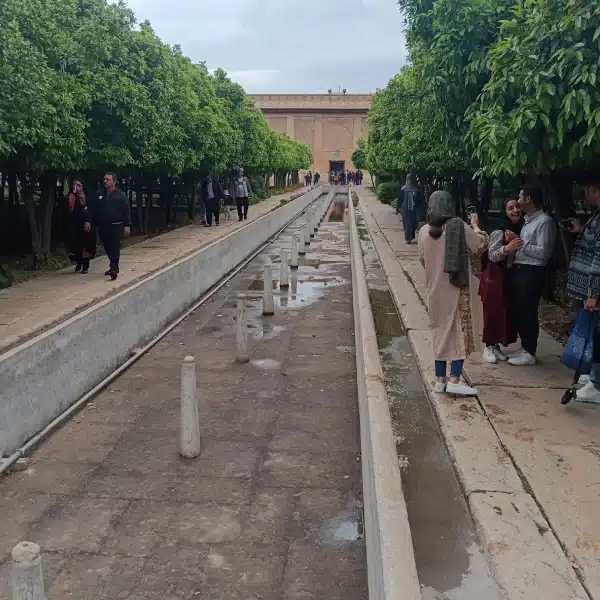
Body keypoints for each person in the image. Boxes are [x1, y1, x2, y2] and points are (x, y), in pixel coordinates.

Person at [418, 190, 489, 396]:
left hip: (434, 290)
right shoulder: (458, 226)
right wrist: (475, 225)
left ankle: (440, 380)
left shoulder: (423, 231)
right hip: (456, 288)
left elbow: (422, 260)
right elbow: (480, 245)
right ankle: (455, 378)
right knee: (459, 332)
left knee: (439, 332)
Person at [507, 184, 557, 366]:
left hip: (532, 271)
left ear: (529, 199)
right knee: (520, 310)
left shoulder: (544, 222)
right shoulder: (528, 220)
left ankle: (530, 351)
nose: (518, 201)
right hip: (522, 269)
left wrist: (520, 245)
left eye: (520, 197)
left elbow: (543, 253)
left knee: (528, 311)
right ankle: (525, 346)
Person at [566, 174, 600, 403]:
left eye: (587, 190)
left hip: (595, 291)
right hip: (591, 289)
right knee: (594, 334)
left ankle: (596, 384)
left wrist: (593, 293)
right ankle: (592, 376)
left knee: (597, 335)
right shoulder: (597, 216)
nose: (585, 195)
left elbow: (599, 259)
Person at [479, 198, 524, 363]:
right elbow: (492, 254)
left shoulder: (521, 229)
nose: (515, 210)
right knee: (492, 312)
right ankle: (488, 347)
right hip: (494, 277)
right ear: (504, 211)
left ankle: (496, 345)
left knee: (504, 312)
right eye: (510, 208)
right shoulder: (499, 231)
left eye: (517, 207)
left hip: (509, 276)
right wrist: (507, 248)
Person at [93, 173, 131, 281]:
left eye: (108, 179)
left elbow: (126, 211)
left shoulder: (120, 196)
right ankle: (113, 265)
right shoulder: (100, 194)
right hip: (104, 226)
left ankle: (114, 268)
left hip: (116, 225)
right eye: (104, 179)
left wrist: (127, 225)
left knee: (114, 246)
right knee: (107, 246)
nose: (105, 181)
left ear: (114, 182)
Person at [65, 180, 96, 274]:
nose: (76, 187)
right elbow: (69, 209)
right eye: (74, 184)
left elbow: (91, 210)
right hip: (75, 224)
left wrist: (88, 221)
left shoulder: (87, 196)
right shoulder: (71, 196)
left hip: (86, 223)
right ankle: (79, 262)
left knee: (85, 245)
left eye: (78, 185)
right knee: (76, 245)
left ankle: (85, 265)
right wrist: (73, 195)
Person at [399, 174, 425, 244]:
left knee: (414, 223)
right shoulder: (403, 188)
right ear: (407, 179)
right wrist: (398, 207)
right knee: (407, 223)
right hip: (405, 208)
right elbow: (400, 199)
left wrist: (415, 196)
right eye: (409, 178)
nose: (410, 179)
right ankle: (408, 238)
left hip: (413, 209)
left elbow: (420, 201)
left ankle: (410, 236)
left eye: (411, 178)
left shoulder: (416, 189)